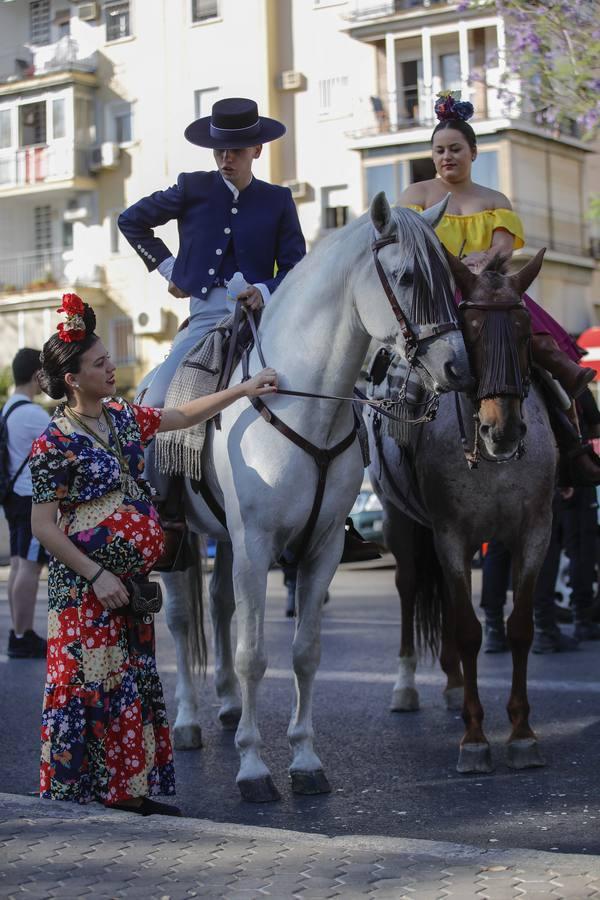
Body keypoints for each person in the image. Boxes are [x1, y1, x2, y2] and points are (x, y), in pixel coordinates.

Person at [30, 293, 277, 815]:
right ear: (73, 379)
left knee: (130, 684)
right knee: (90, 685)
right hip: (86, 591)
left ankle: (128, 793)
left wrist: (244, 388)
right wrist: (97, 574)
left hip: (130, 587)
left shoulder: (120, 418)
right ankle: (77, 797)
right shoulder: (53, 442)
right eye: (99, 363)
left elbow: (181, 413)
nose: (111, 366)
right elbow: (43, 527)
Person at [399, 92, 600, 485]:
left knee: (531, 337)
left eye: (455, 148)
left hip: (490, 293)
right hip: (437, 298)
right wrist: (454, 265)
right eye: (439, 150)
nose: (446, 157)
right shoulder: (416, 196)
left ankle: (575, 440)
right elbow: (407, 248)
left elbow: (504, 249)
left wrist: (482, 262)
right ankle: (391, 451)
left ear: (473, 152)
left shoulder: (494, 199)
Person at [117, 96, 306, 421]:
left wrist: (264, 289)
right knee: (157, 402)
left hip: (263, 318)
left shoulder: (278, 199)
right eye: (220, 150)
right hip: (205, 318)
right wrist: (173, 270)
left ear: (257, 150)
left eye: (237, 150)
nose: (226, 158)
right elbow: (131, 220)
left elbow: (295, 268)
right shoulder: (193, 187)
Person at [1, 348, 50, 658]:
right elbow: (63, 445)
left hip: (12, 498)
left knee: (19, 564)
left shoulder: (8, 408)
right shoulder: (33, 414)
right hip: (30, 499)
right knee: (29, 568)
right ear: (37, 376)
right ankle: (23, 635)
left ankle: (17, 632)